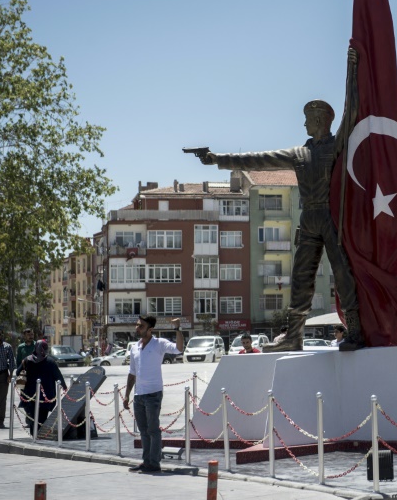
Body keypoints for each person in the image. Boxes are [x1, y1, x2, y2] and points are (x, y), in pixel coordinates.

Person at [197, 51, 364, 353]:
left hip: (331, 218)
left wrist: (352, 70)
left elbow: (351, 111)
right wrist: (217, 159)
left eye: (307, 120)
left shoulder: (336, 145)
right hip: (308, 220)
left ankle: (355, 331)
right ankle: (293, 335)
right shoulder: (299, 153)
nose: (304, 125)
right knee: (301, 279)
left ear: (319, 120)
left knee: (342, 273)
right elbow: (258, 159)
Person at [123, 316, 184, 473]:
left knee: (153, 430)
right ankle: (147, 461)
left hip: (153, 394)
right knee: (143, 431)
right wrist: (127, 395)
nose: (137, 328)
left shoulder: (159, 344)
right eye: (137, 325)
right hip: (138, 395)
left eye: (141, 326)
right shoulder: (135, 347)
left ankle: (154, 463)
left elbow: (179, 349)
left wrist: (177, 329)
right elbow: (132, 373)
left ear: (150, 329)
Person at [16, 340, 67, 431]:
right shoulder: (50, 362)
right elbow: (58, 377)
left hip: (30, 396)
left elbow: (17, 372)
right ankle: (38, 435)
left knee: (33, 418)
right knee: (42, 419)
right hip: (46, 397)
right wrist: (65, 387)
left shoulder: (27, 360)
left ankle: (34, 435)